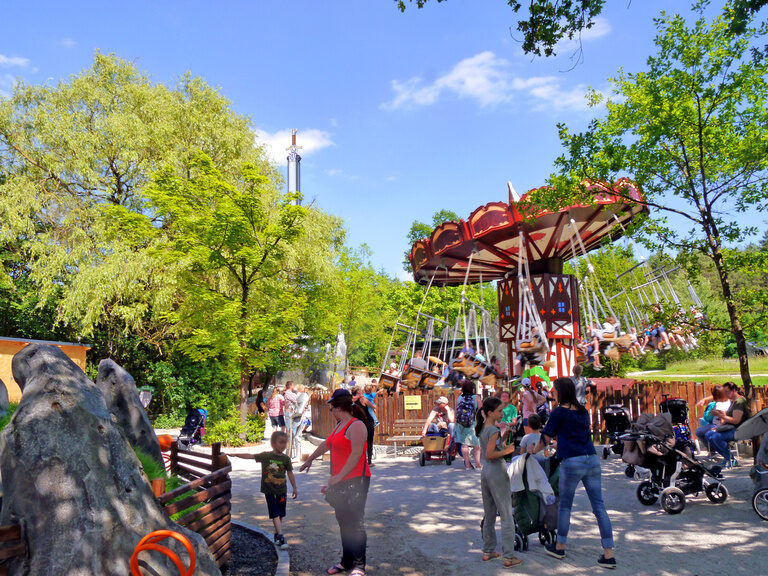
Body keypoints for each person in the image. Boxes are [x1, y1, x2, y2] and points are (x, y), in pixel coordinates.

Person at [531, 377, 616, 569]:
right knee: (599, 507)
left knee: (565, 506)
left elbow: (545, 437)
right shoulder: (583, 411)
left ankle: (559, 546)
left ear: (561, 392)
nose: (551, 393)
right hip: (591, 459)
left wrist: (532, 451)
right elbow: (576, 435)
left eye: (553, 390)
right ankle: (609, 554)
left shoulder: (558, 411)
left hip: (572, 462)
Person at [300, 389, 371, 576]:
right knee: (343, 522)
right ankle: (346, 562)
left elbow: (357, 454)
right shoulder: (340, 425)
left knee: (355, 523)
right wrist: (310, 459)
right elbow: (326, 444)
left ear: (339, 408)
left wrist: (339, 477)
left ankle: (358, 566)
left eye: (331, 408)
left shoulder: (356, 426)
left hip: (357, 480)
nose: (330, 412)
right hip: (339, 481)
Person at [475, 395, 523, 567]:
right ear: (490, 412)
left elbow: (490, 448)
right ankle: (509, 556)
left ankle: (488, 550)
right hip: (496, 471)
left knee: (489, 514)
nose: (503, 413)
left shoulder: (484, 428)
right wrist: (507, 450)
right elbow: (490, 454)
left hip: (486, 472)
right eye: (500, 411)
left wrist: (502, 439)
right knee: (506, 514)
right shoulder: (493, 430)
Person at [227, 431, 297, 549]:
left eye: (285, 443)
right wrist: (235, 454)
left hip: (282, 490)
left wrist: (295, 487)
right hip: (269, 491)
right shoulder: (266, 456)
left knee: (281, 513)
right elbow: (250, 456)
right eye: (281, 442)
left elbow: (290, 473)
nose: (284, 445)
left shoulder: (286, 459)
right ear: (273, 443)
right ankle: (280, 536)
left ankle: (277, 533)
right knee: (275, 512)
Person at [705, 381, 751, 467]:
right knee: (708, 434)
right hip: (730, 428)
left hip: (739, 429)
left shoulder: (739, 402)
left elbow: (736, 420)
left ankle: (730, 459)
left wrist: (720, 415)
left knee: (716, 437)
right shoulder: (733, 401)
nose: (725, 394)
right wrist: (718, 427)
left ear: (733, 390)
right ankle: (727, 457)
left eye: (727, 392)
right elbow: (727, 417)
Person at [454, 379, 482, 470]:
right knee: (476, 445)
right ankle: (478, 464)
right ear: (472, 388)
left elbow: (456, 412)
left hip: (461, 424)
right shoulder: (476, 398)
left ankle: (467, 465)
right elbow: (481, 411)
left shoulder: (459, 398)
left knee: (464, 444)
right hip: (473, 423)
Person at [694, 385, 729, 454]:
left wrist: (718, 427)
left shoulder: (719, 405)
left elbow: (723, 417)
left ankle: (712, 450)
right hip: (726, 425)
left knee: (698, 432)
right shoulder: (728, 400)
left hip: (717, 425)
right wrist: (704, 399)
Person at [351, 386, 377, 466]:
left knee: (359, 442)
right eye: (360, 390)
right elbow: (373, 406)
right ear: (358, 392)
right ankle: (369, 461)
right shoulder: (363, 399)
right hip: (368, 422)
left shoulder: (351, 401)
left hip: (358, 423)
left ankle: (359, 461)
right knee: (369, 441)